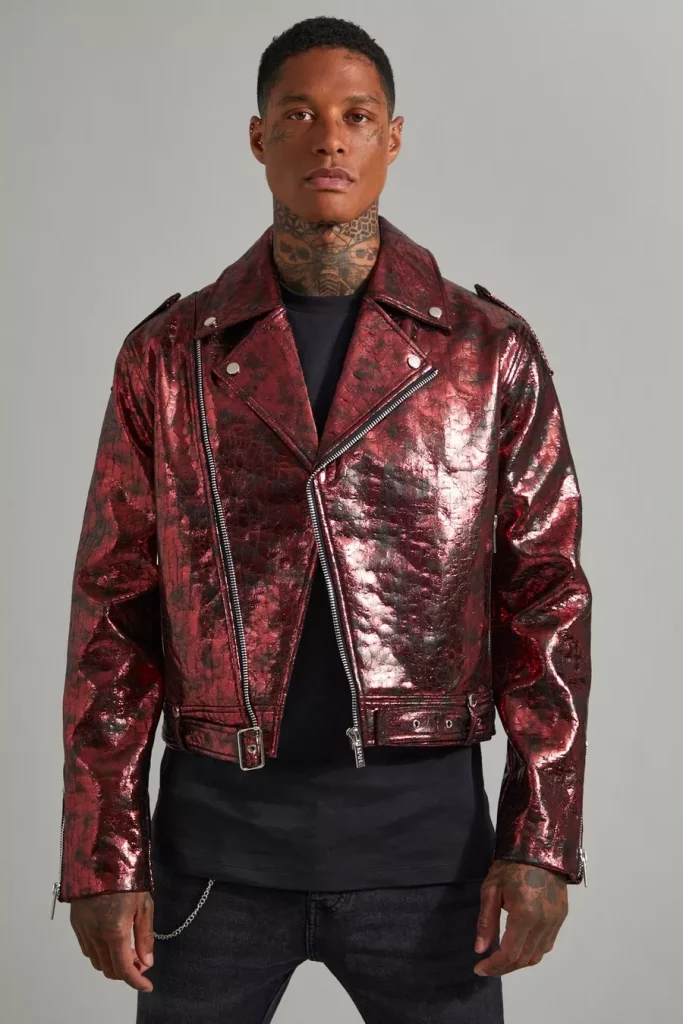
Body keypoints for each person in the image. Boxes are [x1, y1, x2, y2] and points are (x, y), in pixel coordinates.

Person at [52, 15, 592, 1024]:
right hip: (212, 859)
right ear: (258, 137)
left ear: (394, 137)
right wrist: (102, 853)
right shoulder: (170, 354)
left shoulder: (484, 351)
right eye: (298, 115)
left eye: (357, 116)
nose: (329, 139)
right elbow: (113, 611)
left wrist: (540, 839)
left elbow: (546, 601)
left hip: (428, 862)